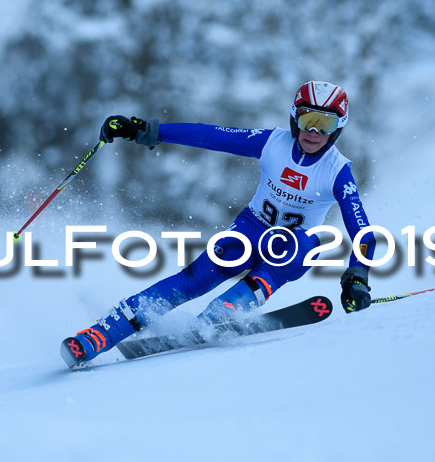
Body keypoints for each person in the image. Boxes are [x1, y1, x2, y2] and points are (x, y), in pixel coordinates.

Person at [61, 80, 376, 367]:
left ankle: (225, 310)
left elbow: (362, 232)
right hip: (250, 230)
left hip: (293, 246)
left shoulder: (337, 171)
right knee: (190, 280)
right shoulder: (271, 143)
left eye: (325, 124)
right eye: (308, 119)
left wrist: (357, 277)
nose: (314, 132)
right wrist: (145, 130)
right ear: (295, 118)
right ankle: (98, 336)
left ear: (338, 129)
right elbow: (210, 135)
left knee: (305, 246)